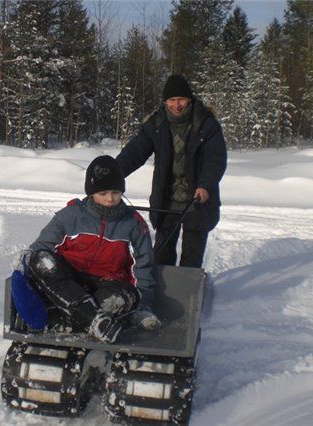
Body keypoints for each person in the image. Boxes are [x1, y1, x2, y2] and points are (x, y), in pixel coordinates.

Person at [16, 155, 161, 344]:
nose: (110, 199)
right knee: (41, 261)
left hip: (108, 285)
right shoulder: (71, 216)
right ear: (92, 192)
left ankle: (67, 320)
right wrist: (23, 269)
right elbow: (41, 248)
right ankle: (95, 321)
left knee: (122, 300)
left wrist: (144, 306)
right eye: (103, 193)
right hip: (70, 283)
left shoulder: (133, 224)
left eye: (116, 192)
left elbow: (143, 267)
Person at [116, 74, 227, 268]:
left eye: (181, 99)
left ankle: (189, 294)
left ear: (190, 99)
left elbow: (215, 160)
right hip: (166, 201)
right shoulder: (156, 124)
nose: (177, 105)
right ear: (165, 101)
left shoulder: (207, 124)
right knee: (162, 255)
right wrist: (112, 174)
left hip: (197, 200)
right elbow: (135, 152)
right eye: (172, 100)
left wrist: (205, 185)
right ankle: (162, 294)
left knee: (191, 257)